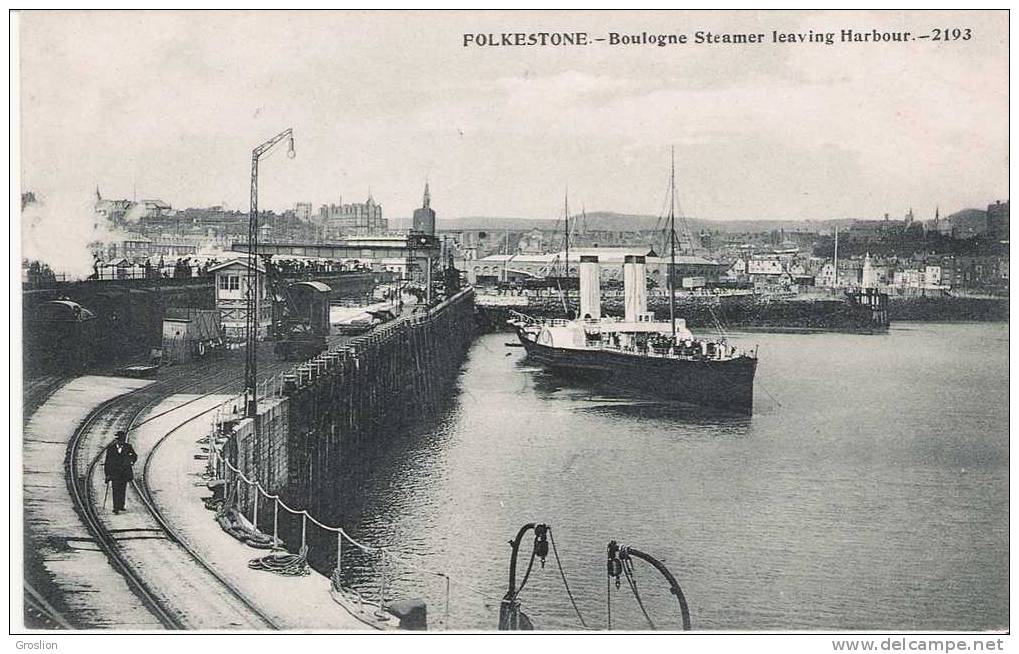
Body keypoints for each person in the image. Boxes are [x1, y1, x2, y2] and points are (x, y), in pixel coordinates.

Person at [104, 431, 137, 514]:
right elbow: (107, 462)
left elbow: (134, 456)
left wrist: (131, 461)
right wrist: (107, 474)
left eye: (122, 440)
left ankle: (121, 505)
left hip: (124, 473)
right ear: (117, 440)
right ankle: (116, 507)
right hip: (114, 473)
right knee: (115, 490)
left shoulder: (128, 446)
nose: (121, 442)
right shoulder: (111, 448)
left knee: (122, 489)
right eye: (119, 440)